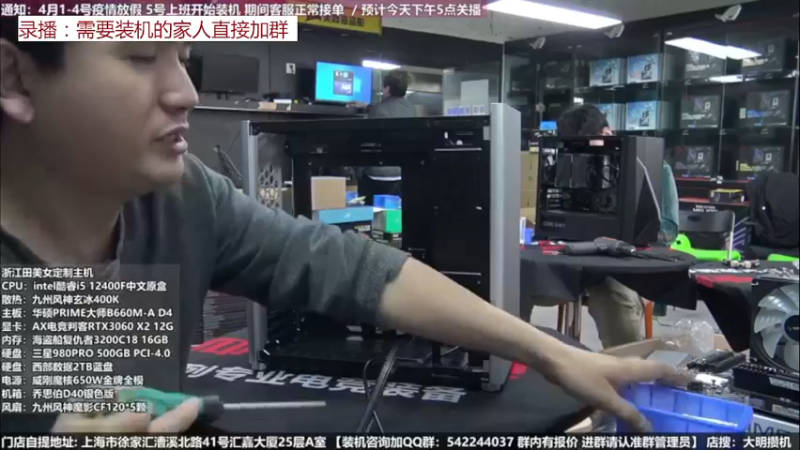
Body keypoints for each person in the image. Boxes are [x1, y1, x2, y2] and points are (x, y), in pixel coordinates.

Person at [0, 26, 687, 434]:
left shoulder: (181, 199)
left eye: (182, 56)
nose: (184, 91)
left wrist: (549, 354)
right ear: (16, 78)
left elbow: (349, 268)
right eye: (138, 56)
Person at [530, 104, 679, 348]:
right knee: (517, 281)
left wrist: (630, 230)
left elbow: (669, 229)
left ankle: (626, 367)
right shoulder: (565, 162)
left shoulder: (653, 168)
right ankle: (506, 360)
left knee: (613, 296)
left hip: (619, 267)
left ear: (608, 134)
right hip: (569, 260)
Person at [350, 71, 416, 205]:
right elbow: (392, 111)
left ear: (387, 89)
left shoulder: (377, 109)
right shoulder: (411, 109)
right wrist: (367, 106)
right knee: (393, 211)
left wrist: (358, 171)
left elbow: (368, 143)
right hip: (400, 173)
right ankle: (390, 219)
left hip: (378, 175)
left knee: (371, 209)